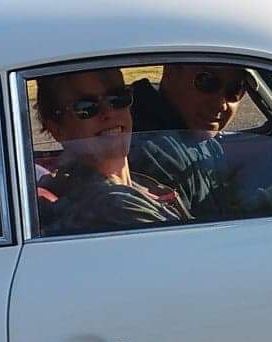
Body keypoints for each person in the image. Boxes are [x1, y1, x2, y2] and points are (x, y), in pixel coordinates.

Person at [128, 63, 272, 220]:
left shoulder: (186, 134)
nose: (221, 104)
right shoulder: (153, 151)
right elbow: (207, 236)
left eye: (234, 90)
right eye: (207, 82)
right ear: (172, 72)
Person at [35, 67, 191, 235]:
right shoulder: (111, 206)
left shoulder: (136, 184)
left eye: (118, 98)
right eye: (86, 107)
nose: (108, 112)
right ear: (57, 129)